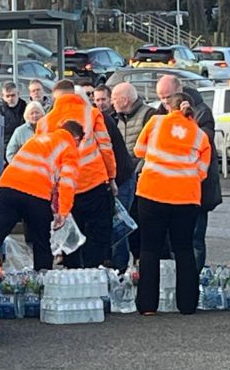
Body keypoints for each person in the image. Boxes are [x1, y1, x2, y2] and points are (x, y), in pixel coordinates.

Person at [134, 93, 211, 315]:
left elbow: (139, 150)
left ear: (170, 106)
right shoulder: (199, 135)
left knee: (149, 249)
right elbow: (202, 171)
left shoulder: (156, 122)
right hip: (186, 197)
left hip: (152, 193)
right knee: (184, 249)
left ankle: (148, 305)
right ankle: (187, 305)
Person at [36, 79, 116, 268]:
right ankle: (95, 276)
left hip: (65, 189)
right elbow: (106, 148)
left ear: (55, 98)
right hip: (95, 182)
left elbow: (43, 159)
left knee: (71, 241)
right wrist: (111, 177)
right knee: (97, 238)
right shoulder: (92, 113)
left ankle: (74, 277)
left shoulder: (44, 122)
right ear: (74, 93)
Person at [0, 120, 83, 271]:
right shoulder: (69, 146)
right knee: (41, 243)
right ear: (76, 138)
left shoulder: (38, 139)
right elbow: (67, 183)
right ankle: (42, 283)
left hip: (8, 187)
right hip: (36, 195)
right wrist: (63, 212)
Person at [154, 74, 222, 270]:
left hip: (196, 189)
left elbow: (200, 143)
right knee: (172, 240)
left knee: (194, 239)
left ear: (179, 92)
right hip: (169, 190)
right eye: (161, 97)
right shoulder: (158, 114)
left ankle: (194, 279)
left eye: (168, 96)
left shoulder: (201, 112)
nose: (165, 102)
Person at [111, 81, 156, 263]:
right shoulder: (118, 118)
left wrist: (137, 172)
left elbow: (151, 149)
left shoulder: (149, 115)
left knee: (137, 224)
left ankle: (138, 261)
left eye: (114, 99)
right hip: (125, 177)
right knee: (125, 223)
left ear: (124, 99)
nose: (113, 103)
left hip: (141, 177)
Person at [94, 84, 137, 269]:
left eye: (104, 99)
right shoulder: (103, 119)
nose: (100, 103)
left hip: (121, 180)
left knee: (118, 226)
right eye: (97, 100)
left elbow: (107, 154)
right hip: (114, 180)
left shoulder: (101, 121)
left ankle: (120, 271)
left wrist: (110, 180)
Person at [0, 82, 28, 148]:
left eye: (13, 95)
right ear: (2, 96)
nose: (10, 99)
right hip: (3, 148)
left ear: (18, 94)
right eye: (7, 96)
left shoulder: (28, 110)